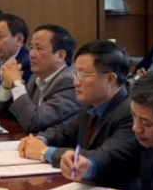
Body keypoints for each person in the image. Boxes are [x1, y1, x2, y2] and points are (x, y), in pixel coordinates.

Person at [18, 40, 140, 181]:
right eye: (75, 74)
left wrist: (44, 152)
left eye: (83, 75)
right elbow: (64, 131)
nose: (75, 82)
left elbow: (105, 156)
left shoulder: (131, 113)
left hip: (113, 189)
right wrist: (39, 140)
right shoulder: (91, 104)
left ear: (110, 79)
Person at [0, 24, 80, 134]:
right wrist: (7, 86)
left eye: (39, 49)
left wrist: (16, 84)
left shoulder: (69, 82)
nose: (31, 54)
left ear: (60, 56)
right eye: (31, 48)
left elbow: (34, 124)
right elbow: (3, 111)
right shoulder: (36, 76)